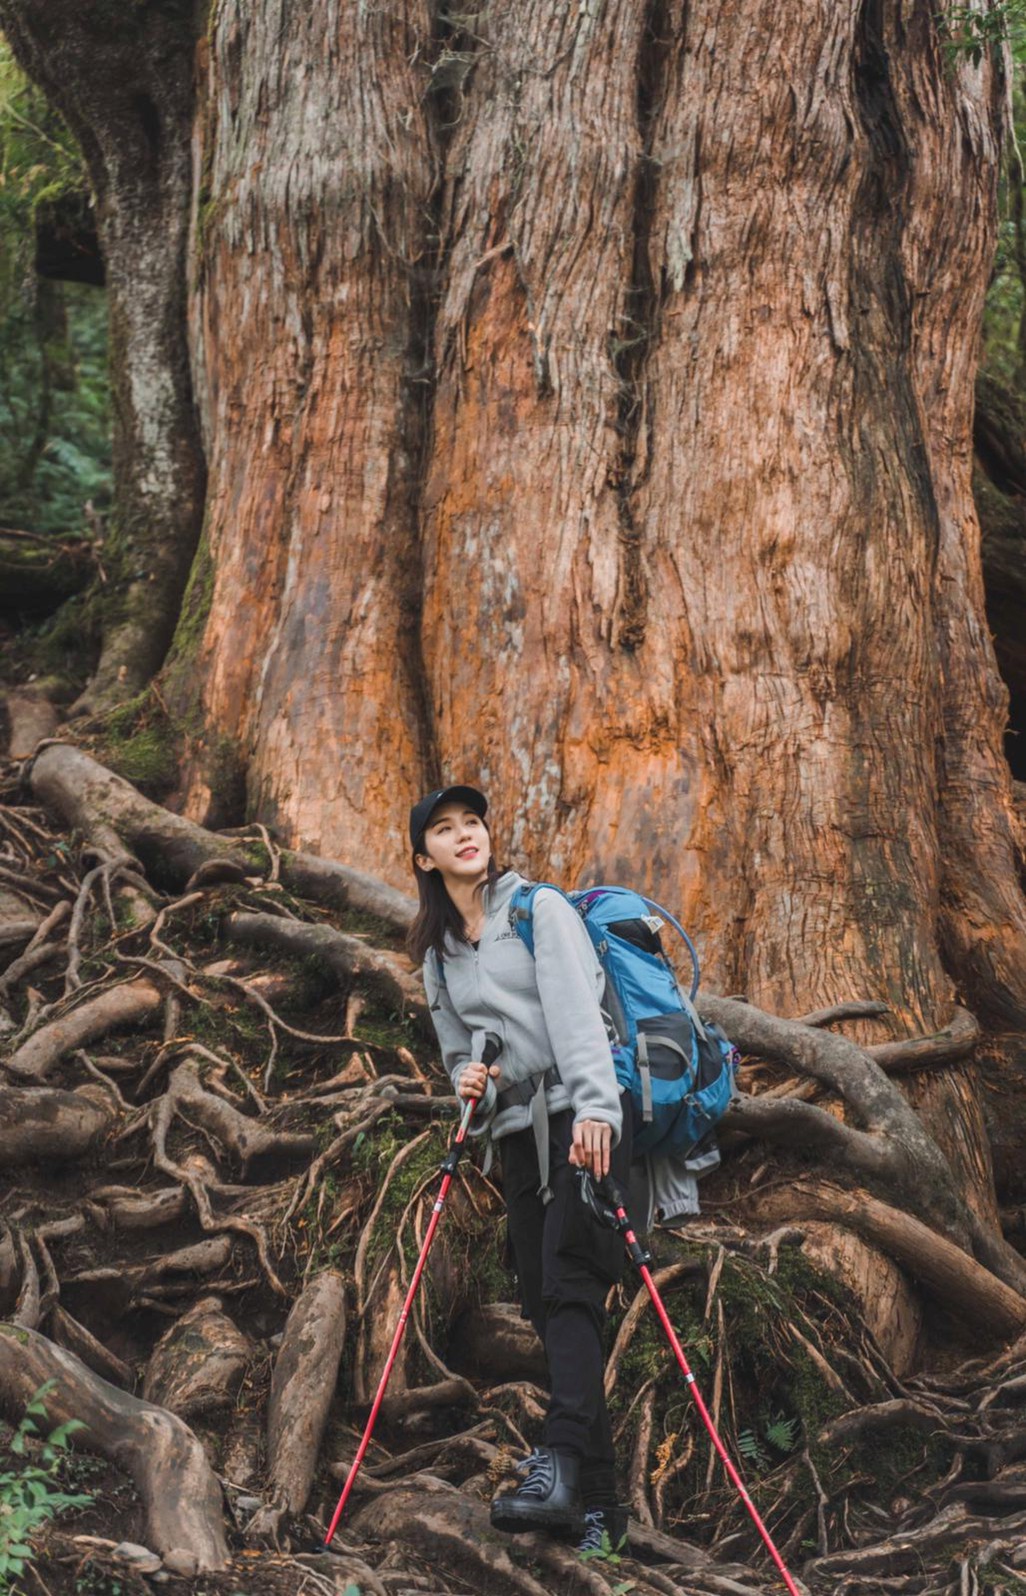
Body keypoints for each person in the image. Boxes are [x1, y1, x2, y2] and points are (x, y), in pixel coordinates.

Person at [408, 782, 632, 1551]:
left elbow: (577, 1013)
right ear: (424, 857)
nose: (466, 834)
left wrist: (599, 1109)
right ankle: (597, 1508)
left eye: (473, 821)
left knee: (572, 1281)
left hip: (579, 1114)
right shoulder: (438, 958)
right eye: (445, 828)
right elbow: (458, 1055)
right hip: (514, 1134)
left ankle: (561, 1463)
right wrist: (469, 1079)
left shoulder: (540, 911)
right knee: (543, 1301)